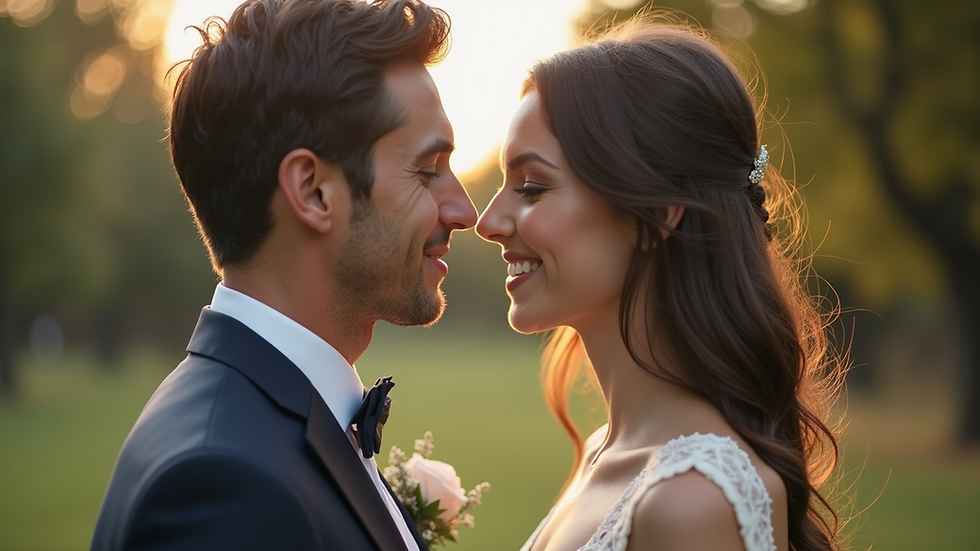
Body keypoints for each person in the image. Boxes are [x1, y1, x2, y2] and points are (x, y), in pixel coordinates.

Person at [90, 0, 476, 549]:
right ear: (313, 191)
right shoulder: (224, 489)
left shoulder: (272, 423)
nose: (465, 211)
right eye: (428, 171)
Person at [476, 15, 844, 551]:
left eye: (532, 187)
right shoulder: (604, 451)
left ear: (655, 213)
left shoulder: (694, 501)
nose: (487, 222)